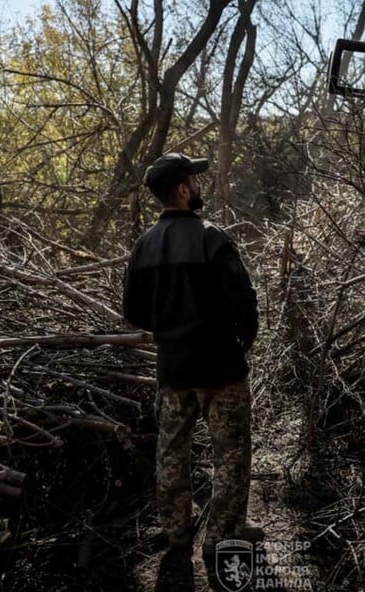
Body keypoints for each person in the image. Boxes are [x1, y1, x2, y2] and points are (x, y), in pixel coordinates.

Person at [122, 152, 263, 560]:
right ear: (183, 190)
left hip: (173, 368)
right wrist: (242, 343)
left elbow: (133, 311)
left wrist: (169, 330)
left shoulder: (143, 245)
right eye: (194, 181)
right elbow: (245, 301)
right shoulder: (211, 236)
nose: (199, 186)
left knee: (170, 452)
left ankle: (177, 533)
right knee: (231, 454)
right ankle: (223, 534)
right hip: (221, 368)